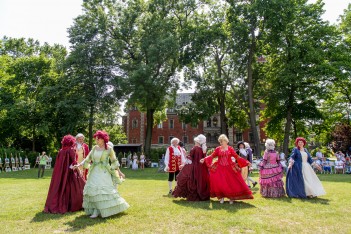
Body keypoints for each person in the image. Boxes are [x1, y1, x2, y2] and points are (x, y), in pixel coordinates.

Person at [74, 130, 129, 218]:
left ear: (103, 139)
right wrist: (80, 165)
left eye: (98, 139)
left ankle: (102, 209)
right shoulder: (95, 148)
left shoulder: (109, 149)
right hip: (94, 172)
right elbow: (87, 158)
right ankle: (95, 210)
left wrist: (118, 171)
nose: (96, 141)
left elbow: (114, 161)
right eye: (96, 139)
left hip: (104, 173)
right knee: (93, 191)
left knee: (103, 191)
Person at [200, 134, 253, 204]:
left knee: (231, 183)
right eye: (220, 141)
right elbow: (212, 156)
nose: (220, 143)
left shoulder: (230, 148)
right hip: (219, 168)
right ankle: (221, 197)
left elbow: (237, 157)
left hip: (230, 168)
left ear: (225, 141)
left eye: (221, 141)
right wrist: (204, 159)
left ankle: (232, 197)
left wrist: (246, 162)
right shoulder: (218, 149)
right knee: (220, 183)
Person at [44, 135, 86, 214]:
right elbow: (74, 163)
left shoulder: (61, 151)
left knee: (61, 187)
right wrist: (78, 170)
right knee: (79, 186)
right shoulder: (71, 150)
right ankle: (74, 204)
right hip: (70, 173)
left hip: (61, 174)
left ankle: (63, 204)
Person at [172, 134, 210, 201]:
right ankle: (201, 195)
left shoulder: (195, 148)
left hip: (194, 167)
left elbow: (190, 158)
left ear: (197, 142)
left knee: (184, 177)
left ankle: (194, 195)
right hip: (201, 168)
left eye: (195, 141)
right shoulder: (203, 149)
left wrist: (184, 165)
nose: (194, 142)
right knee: (200, 181)